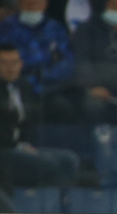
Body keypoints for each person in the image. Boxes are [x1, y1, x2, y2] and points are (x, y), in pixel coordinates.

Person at [0, 42, 78, 187]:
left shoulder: (23, 87)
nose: (10, 68)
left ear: (21, 64)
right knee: (48, 164)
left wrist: (26, 145)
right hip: (4, 150)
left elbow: (30, 121)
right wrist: (19, 146)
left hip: (22, 147)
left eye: (14, 62)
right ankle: (46, 206)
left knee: (69, 159)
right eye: (4, 63)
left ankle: (64, 205)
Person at [0, 0, 73, 118]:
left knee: (62, 106)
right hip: (12, 86)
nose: (32, 6)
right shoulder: (5, 27)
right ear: (19, 4)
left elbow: (66, 62)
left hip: (48, 88)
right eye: (27, 2)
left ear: (45, 4)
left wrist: (44, 76)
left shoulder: (55, 28)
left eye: (36, 3)